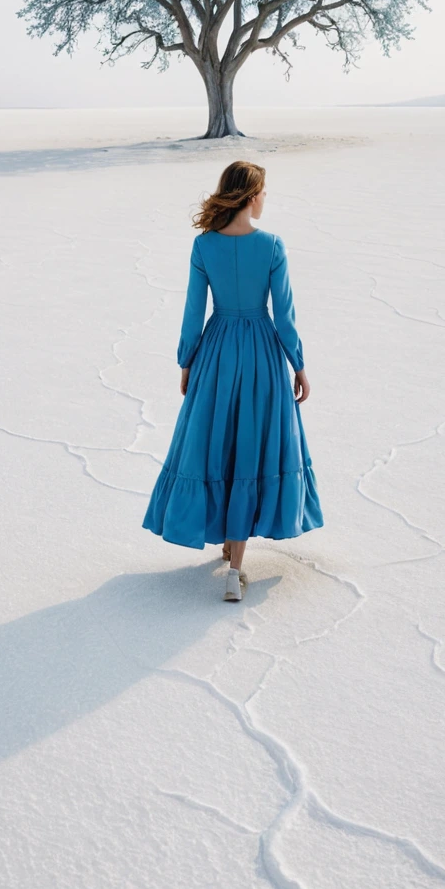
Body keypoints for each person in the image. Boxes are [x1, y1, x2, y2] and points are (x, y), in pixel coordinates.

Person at [142, 161, 324, 601]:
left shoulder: (204, 246)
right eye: (262, 192)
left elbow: (192, 312)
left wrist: (187, 360)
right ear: (249, 195)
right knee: (250, 448)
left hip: (218, 352)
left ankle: (228, 545)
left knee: (218, 444)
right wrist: (297, 364)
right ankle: (234, 569)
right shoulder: (272, 246)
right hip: (262, 353)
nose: (265, 200)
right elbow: (285, 316)